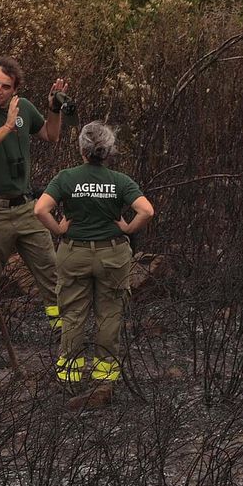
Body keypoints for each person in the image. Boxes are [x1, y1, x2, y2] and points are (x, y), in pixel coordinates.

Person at [34, 121, 155, 404]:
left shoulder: (66, 177)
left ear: (82, 148)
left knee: (73, 315)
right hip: (112, 254)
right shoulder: (120, 181)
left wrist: (59, 229)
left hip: (74, 253)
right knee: (110, 315)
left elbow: (40, 209)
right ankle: (104, 380)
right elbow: (146, 210)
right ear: (108, 150)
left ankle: (70, 379)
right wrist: (127, 229)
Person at [0, 57, 70, 336]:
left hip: (26, 207)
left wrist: (53, 109)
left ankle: (65, 339)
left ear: (15, 90)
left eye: (5, 86)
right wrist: (8, 126)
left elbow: (50, 134)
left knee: (52, 272)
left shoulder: (24, 108)